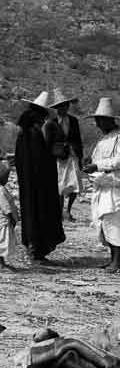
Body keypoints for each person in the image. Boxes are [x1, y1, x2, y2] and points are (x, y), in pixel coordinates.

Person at [15, 91, 65, 264]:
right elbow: (41, 161)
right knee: (40, 213)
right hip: (39, 183)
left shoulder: (24, 133)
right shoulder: (34, 134)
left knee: (30, 212)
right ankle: (36, 252)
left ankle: (33, 249)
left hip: (28, 183)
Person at [83, 98, 120, 273]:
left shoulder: (118, 137)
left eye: (100, 120)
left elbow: (117, 161)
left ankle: (117, 261)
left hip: (114, 186)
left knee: (114, 222)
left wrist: (97, 166)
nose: (97, 124)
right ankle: (113, 259)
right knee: (105, 222)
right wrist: (90, 162)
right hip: (102, 185)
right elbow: (98, 158)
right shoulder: (103, 138)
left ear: (108, 120)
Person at [46, 89, 84, 220]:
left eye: (65, 105)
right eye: (61, 106)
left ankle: (68, 210)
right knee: (60, 185)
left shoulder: (74, 121)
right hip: (58, 158)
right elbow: (48, 143)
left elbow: (78, 139)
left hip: (72, 156)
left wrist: (80, 157)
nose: (63, 108)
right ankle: (60, 211)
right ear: (57, 108)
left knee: (75, 184)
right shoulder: (51, 123)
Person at [0, 160, 19, 272]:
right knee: (2, 241)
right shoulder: (1, 191)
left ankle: (2, 263)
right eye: (7, 177)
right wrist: (12, 219)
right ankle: (1, 264)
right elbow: (6, 207)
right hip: (4, 219)